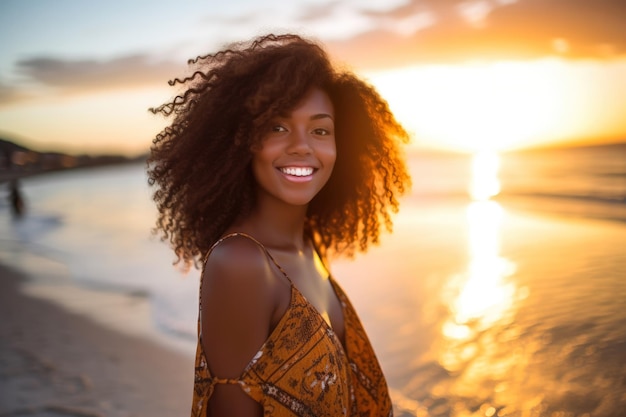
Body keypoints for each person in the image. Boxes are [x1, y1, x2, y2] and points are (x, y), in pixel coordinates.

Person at [147, 33, 411, 416]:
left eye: (320, 130)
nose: (302, 146)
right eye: (278, 127)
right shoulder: (240, 264)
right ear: (241, 141)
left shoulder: (308, 248)